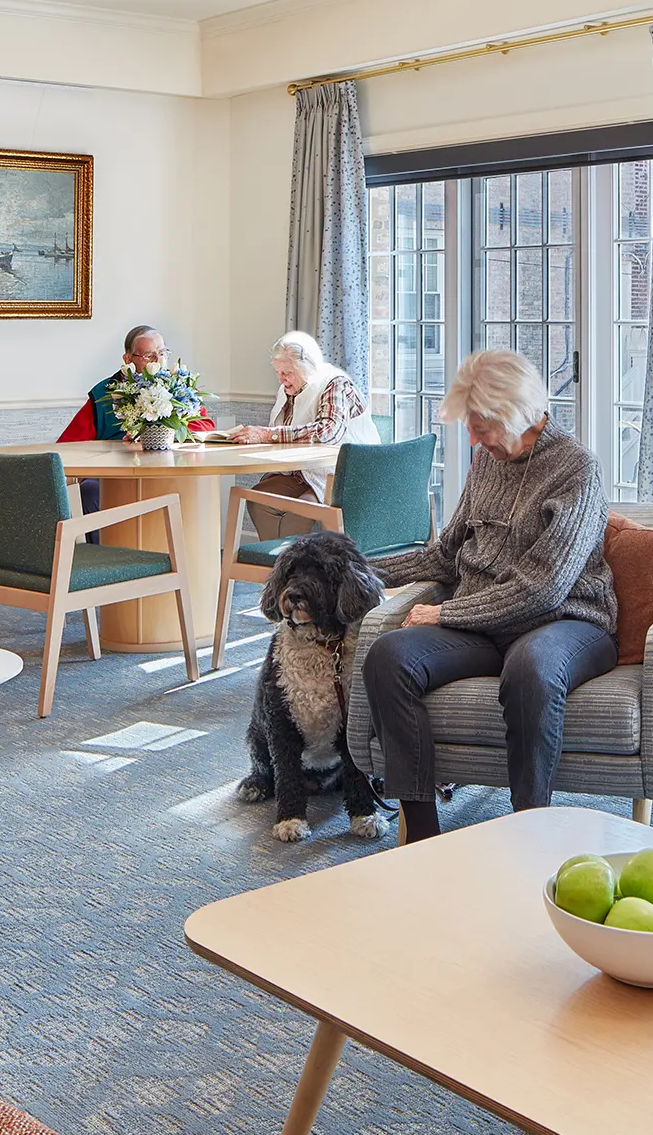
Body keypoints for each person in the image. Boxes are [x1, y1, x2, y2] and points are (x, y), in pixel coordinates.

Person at [362, 348, 618, 843]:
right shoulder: (485, 463)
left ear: (520, 413)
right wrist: (360, 567)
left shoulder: (576, 468)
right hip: (485, 624)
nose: (473, 438)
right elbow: (445, 556)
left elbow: (544, 588)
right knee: (389, 656)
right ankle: (422, 838)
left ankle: (529, 831)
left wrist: (447, 612)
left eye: (482, 426)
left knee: (532, 670)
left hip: (567, 622)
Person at [58, 325, 215, 539]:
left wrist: (166, 432)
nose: (157, 361)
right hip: (114, 474)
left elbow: (205, 426)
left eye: (162, 353)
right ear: (128, 358)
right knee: (90, 492)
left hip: (168, 470)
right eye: (149, 355)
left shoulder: (180, 388)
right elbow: (69, 445)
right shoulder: (105, 393)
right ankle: (101, 563)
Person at [228, 331, 379, 540]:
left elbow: (328, 430)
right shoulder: (288, 389)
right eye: (278, 372)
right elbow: (283, 432)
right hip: (303, 473)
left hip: (342, 475)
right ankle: (278, 566)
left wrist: (267, 435)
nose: (281, 380)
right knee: (259, 501)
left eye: (287, 373)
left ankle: (291, 568)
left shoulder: (336, 384)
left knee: (298, 513)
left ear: (307, 366)